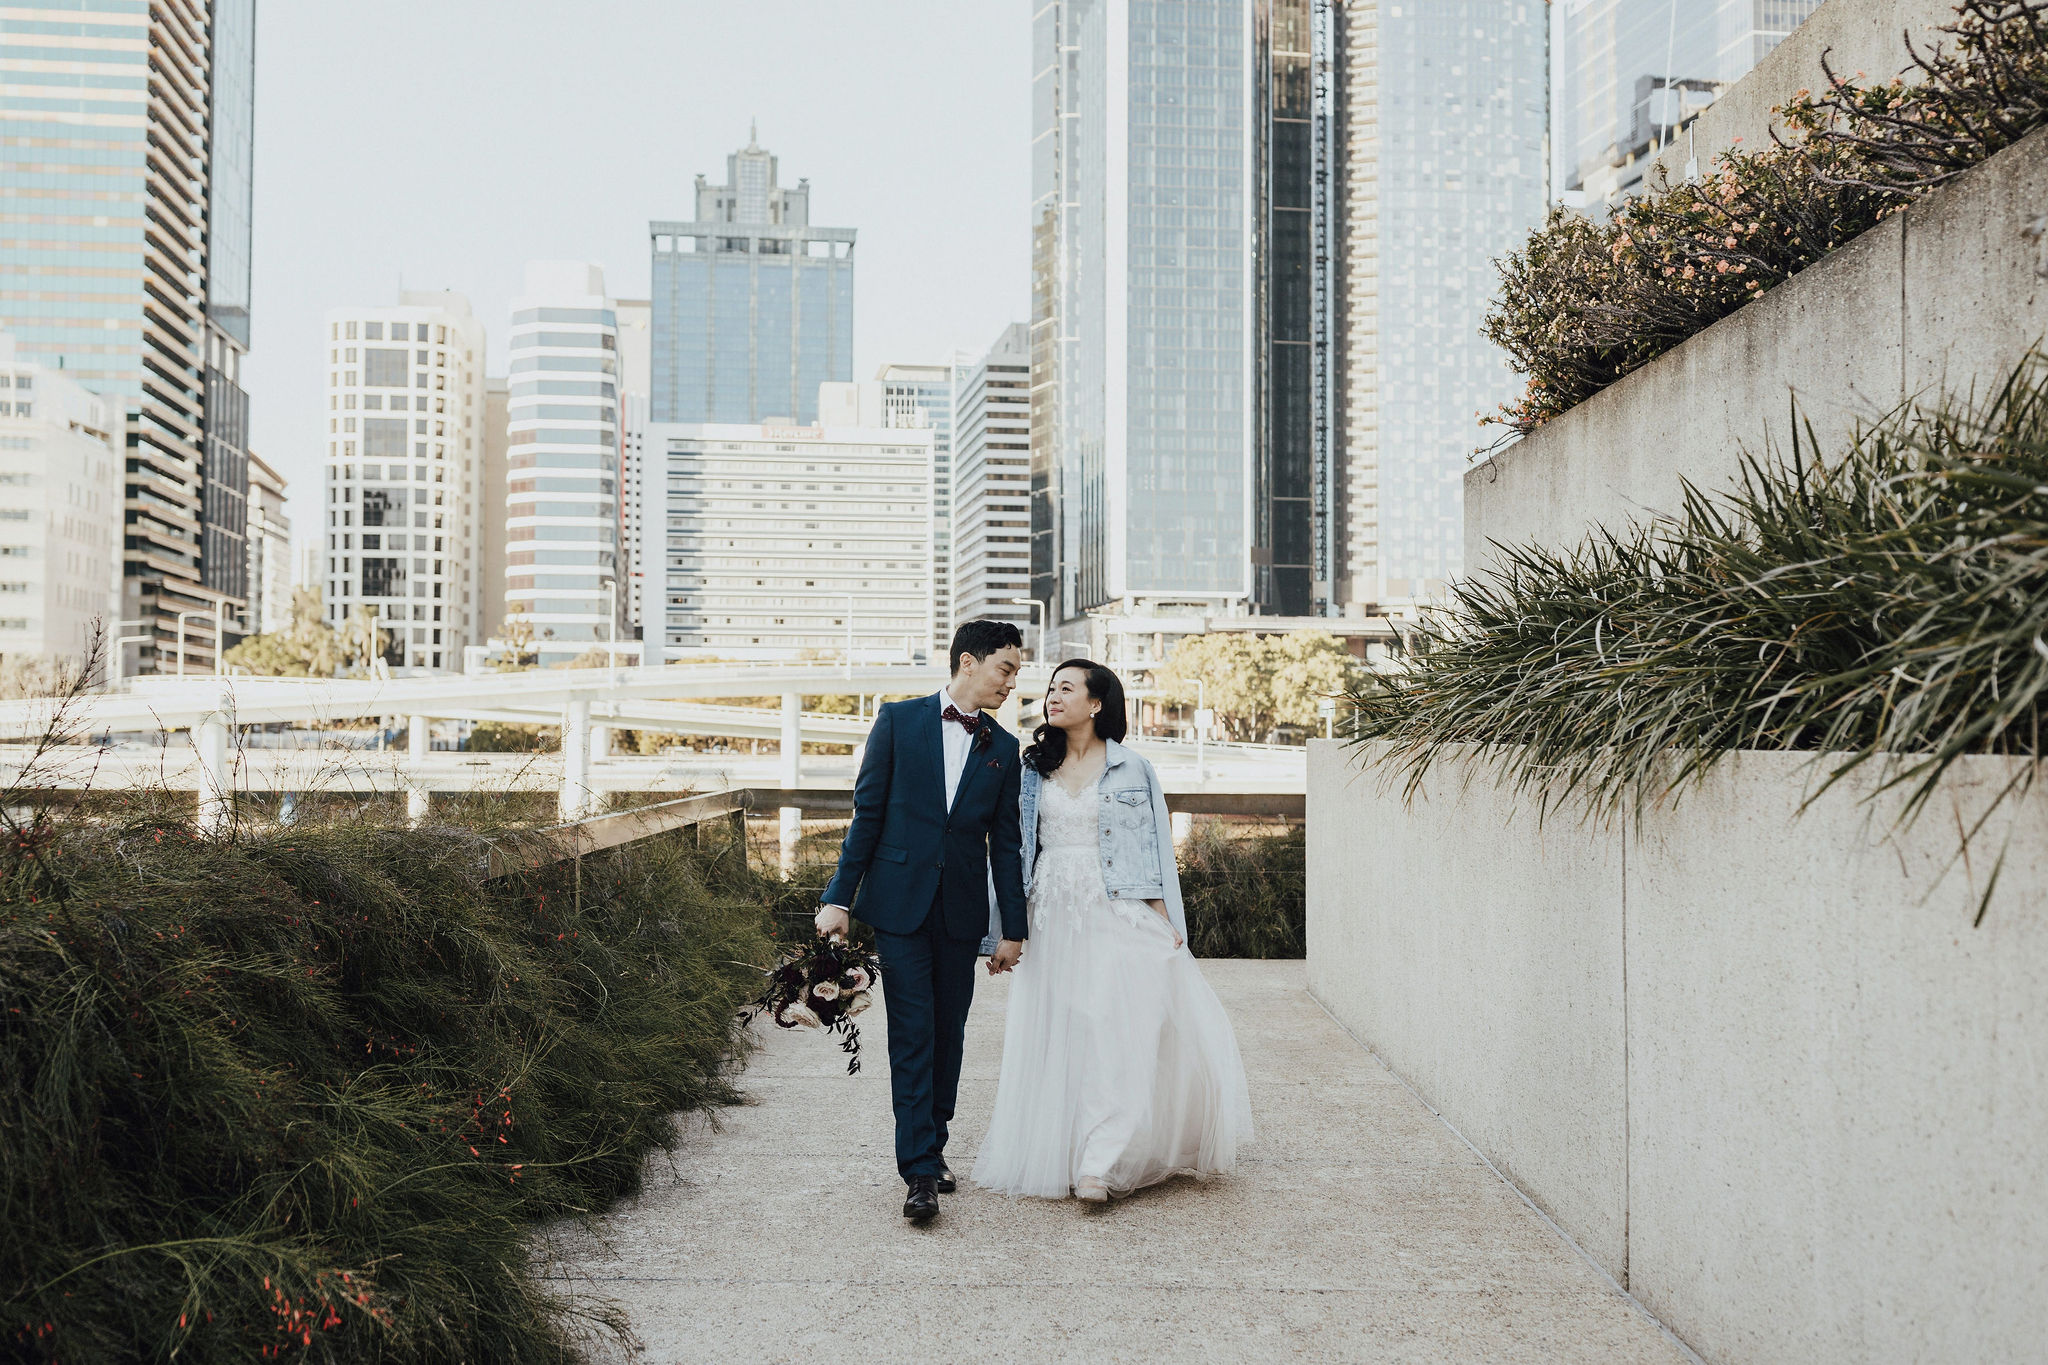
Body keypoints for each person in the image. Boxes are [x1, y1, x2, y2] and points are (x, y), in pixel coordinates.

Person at [972, 658, 1253, 1202]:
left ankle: (1099, 1164)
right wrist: (1004, 930)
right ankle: (1065, 1150)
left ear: (1096, 703)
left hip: (1114, 907)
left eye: (1067, 689)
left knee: (1113, 1030)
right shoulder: (1031, 768)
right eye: (1051, 688)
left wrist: (1165, 918)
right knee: (1061, 1030)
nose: (1054, 697)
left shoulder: (1132, 768)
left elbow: (1153, 849)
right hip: (1050, 912)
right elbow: (1006, 852)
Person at [815, 619, 1028, 1224]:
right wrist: (839, 897)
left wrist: (1012, 929)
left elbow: (1005, 846)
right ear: (968, 662)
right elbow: (867, 815)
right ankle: (919, 1171)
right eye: (1005, 669)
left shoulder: (1003, 748)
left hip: (961, 913)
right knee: (912, 1034)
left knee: (949, 1036)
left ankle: (933, 1142)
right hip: (900, 907)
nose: (1011, 683)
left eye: (1015, 673)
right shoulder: (898, 721)